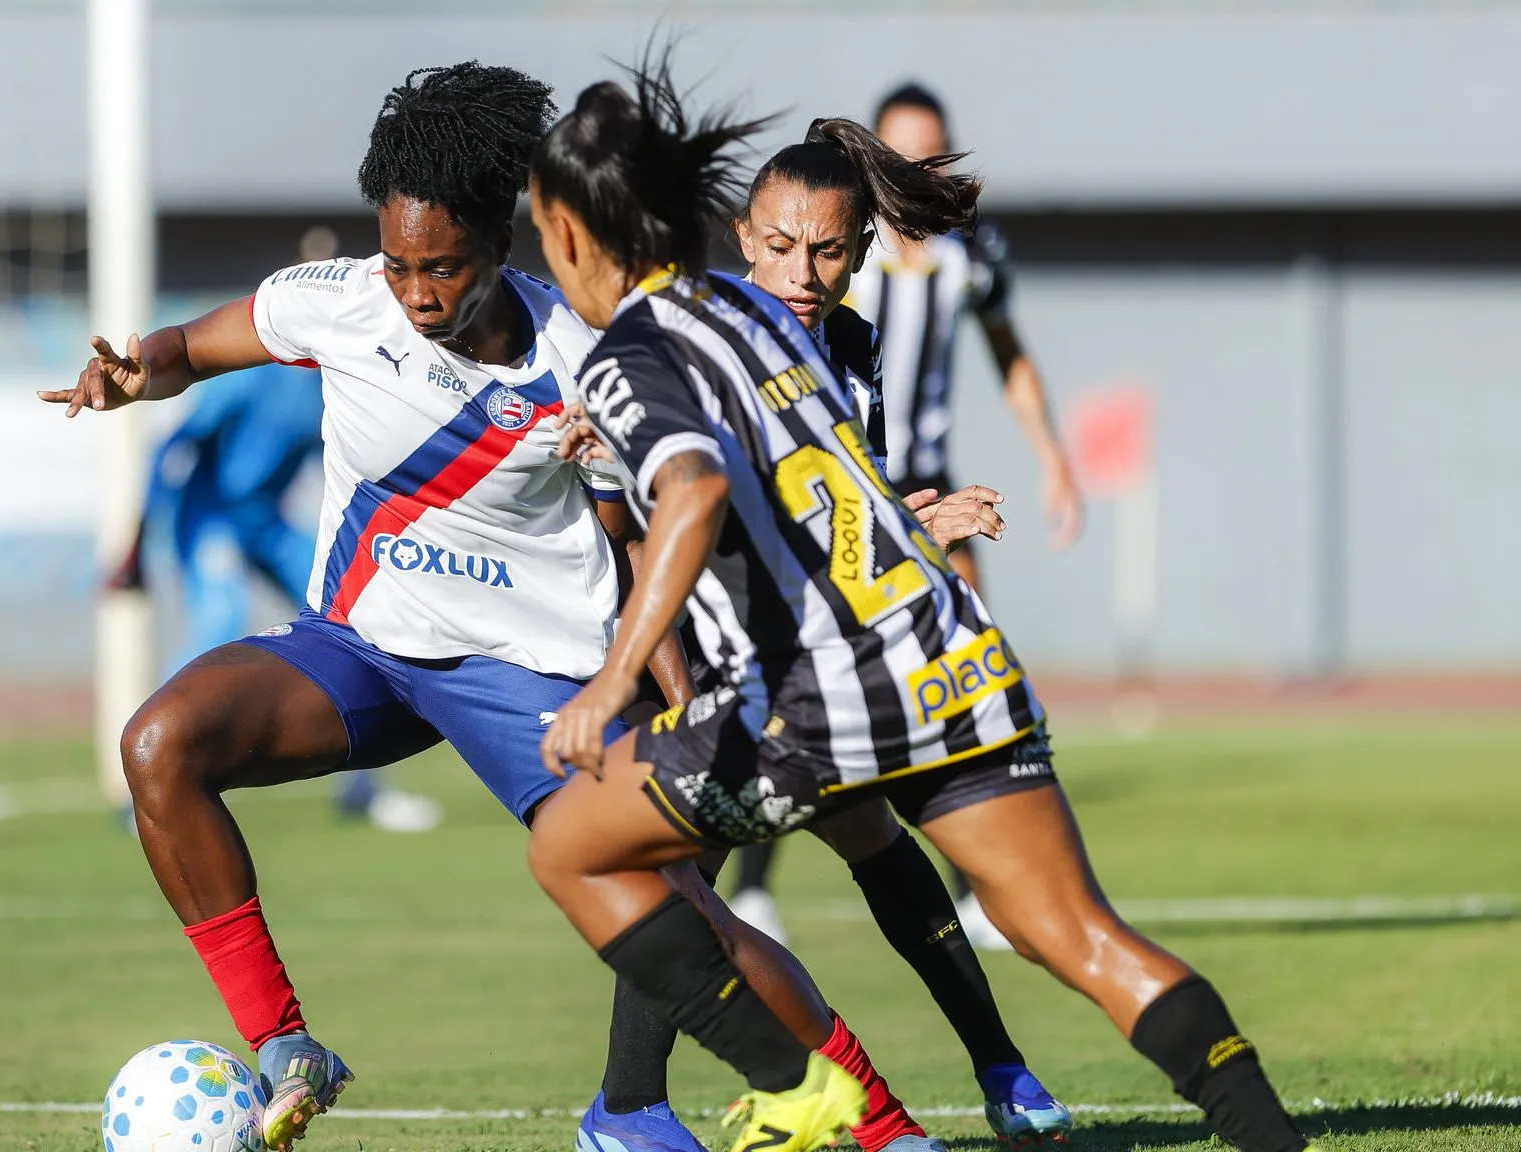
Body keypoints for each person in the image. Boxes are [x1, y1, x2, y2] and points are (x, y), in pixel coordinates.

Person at [43, 62, 944, 1152]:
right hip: (362, 651)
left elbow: (641, 537)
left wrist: (680, 704)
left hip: (526, 677)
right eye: (397, 264)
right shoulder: (338, 303)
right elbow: (194, 346)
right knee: (159, 745)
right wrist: (132, 369)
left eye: (442, 267)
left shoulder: (580, 358)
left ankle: (887, 1130)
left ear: (498, 245)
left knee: (681, 909)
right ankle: (287, 1049)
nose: (415, 293)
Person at [527, 58, 1323, 1152]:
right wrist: (919, 526)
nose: (804, 268)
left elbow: (701, 490)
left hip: (807, 694)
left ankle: (792, 1094)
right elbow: (820, 491)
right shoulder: (768, 328)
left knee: (572, 848)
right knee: (1078, 936)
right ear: (724, 227)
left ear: (566, 233)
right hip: (952, 654)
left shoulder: (640, 347)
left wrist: (615, 678)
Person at [720, 122, 1071, 1145]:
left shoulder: (850, 345)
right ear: (743, 236)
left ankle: (998, 1073)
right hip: (700, 647)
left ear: (860, 252)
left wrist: (912, 522)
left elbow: (841, 509)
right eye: (780, 245)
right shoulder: (703, 338)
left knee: (859, 843)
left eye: (826, 250)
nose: (801, 270)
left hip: (800, 644)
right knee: (668, 887)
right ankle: (632, 1109)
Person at [849, 83, 1086, 953]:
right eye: (900, 153)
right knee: (830, 664)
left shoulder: (971, 252)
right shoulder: (842, 243)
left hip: (939, 489)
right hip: (855, 488)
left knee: (968, 668)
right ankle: (754, 883)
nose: (915, 169)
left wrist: (1055, 460)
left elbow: (1009, 356)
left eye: (931, 154)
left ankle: (977, 884)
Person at [105, 230, 441, 836]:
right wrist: (134, 541)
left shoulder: (339, 376)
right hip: (212, 514)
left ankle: (363, 789)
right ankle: (152, 784)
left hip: (263, 519)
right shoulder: (257, 369)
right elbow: (173, 445)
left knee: (360, 619)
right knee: (218, 622)